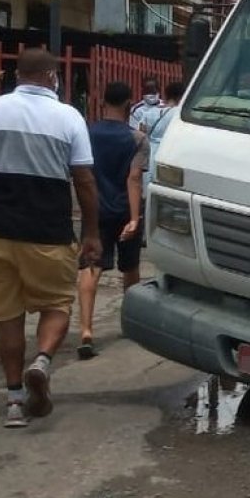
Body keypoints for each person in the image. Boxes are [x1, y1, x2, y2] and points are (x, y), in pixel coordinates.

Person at [0, 49, 101, 428]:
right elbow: (84, 180)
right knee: (56, 305)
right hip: (47, 231)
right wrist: (91, 233)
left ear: (19, 75)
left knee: (8, 316)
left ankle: (15, 401)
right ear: (52, 76)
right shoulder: (69, 117)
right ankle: (43, 361)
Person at [77, 81, 149, 360]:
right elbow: (134, 178)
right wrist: (133, 218)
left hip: (94, 209)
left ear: (102, 101)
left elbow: (80, 171)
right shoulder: (137, 138)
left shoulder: (86, 133)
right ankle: (130, 325)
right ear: (129, 104)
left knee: (90, 266)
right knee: (130, 269)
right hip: (123, 210)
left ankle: (85, 330)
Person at [142, 80, 184, 193]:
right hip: (171, 154)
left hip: (150, 153)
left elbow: (141, 132)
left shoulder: (149, 113)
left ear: (165, 95)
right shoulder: (180, 115)